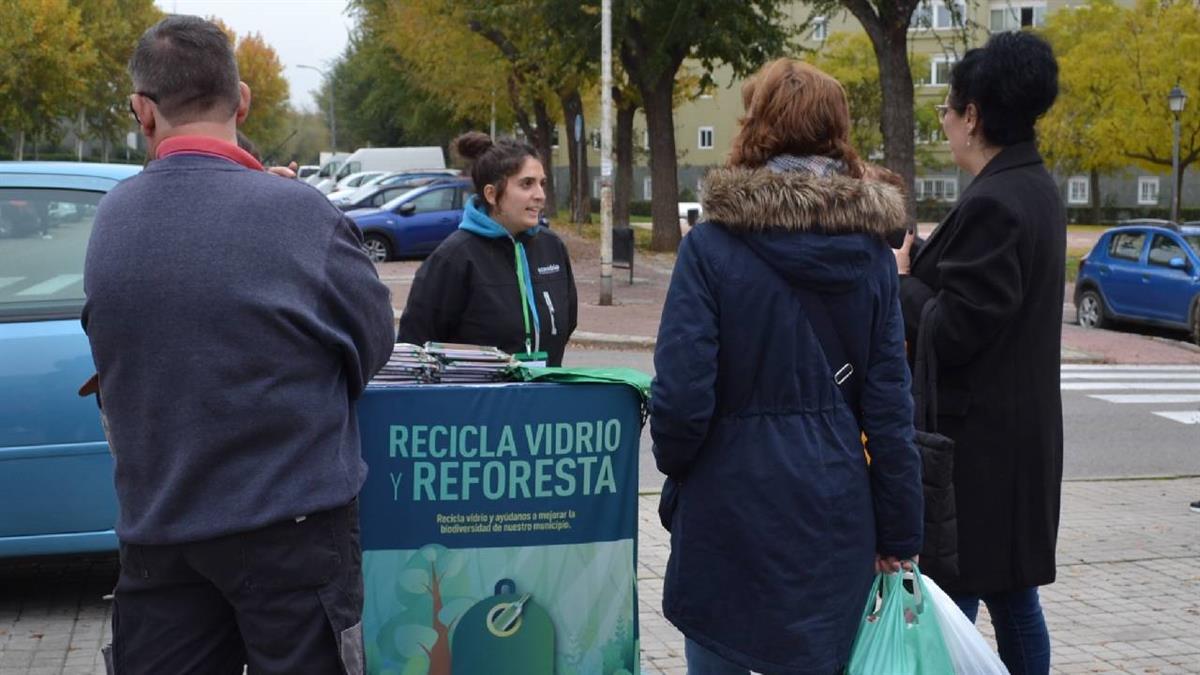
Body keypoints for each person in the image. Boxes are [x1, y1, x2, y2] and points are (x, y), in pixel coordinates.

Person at [82, 15, 395, 675]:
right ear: (242, 99)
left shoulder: (112, 218)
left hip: (160, 531)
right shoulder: (304, 214)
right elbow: (373, 342)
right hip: (295, 531)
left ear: (144, 112)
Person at [650, 58, 923, 675]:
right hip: (834, 509)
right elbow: (889, 409)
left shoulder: (711, 247)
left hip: (727, 506)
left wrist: (683, 474)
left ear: (758, 126)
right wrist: (900, 533)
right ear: (837, 132)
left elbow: (680, 397)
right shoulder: (875, 259)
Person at [893, 31, 1063, 675]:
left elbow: (959, 327)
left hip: (980, 453)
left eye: (949, 107)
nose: (944, 120)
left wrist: (903, 280)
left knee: (954, 599)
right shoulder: (1032, 186)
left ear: (974, 116)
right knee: (1013, 595)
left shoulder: (997, 200)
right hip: (1013, 440)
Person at [397, 132, 577, 366]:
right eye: (526, 184)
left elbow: (567, 321)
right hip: (474, 401)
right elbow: (414, 348)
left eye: (542, 183)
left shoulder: (552, 247)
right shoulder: (454, 257)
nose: (540, 195)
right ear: (491, 194)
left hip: (544, 399)